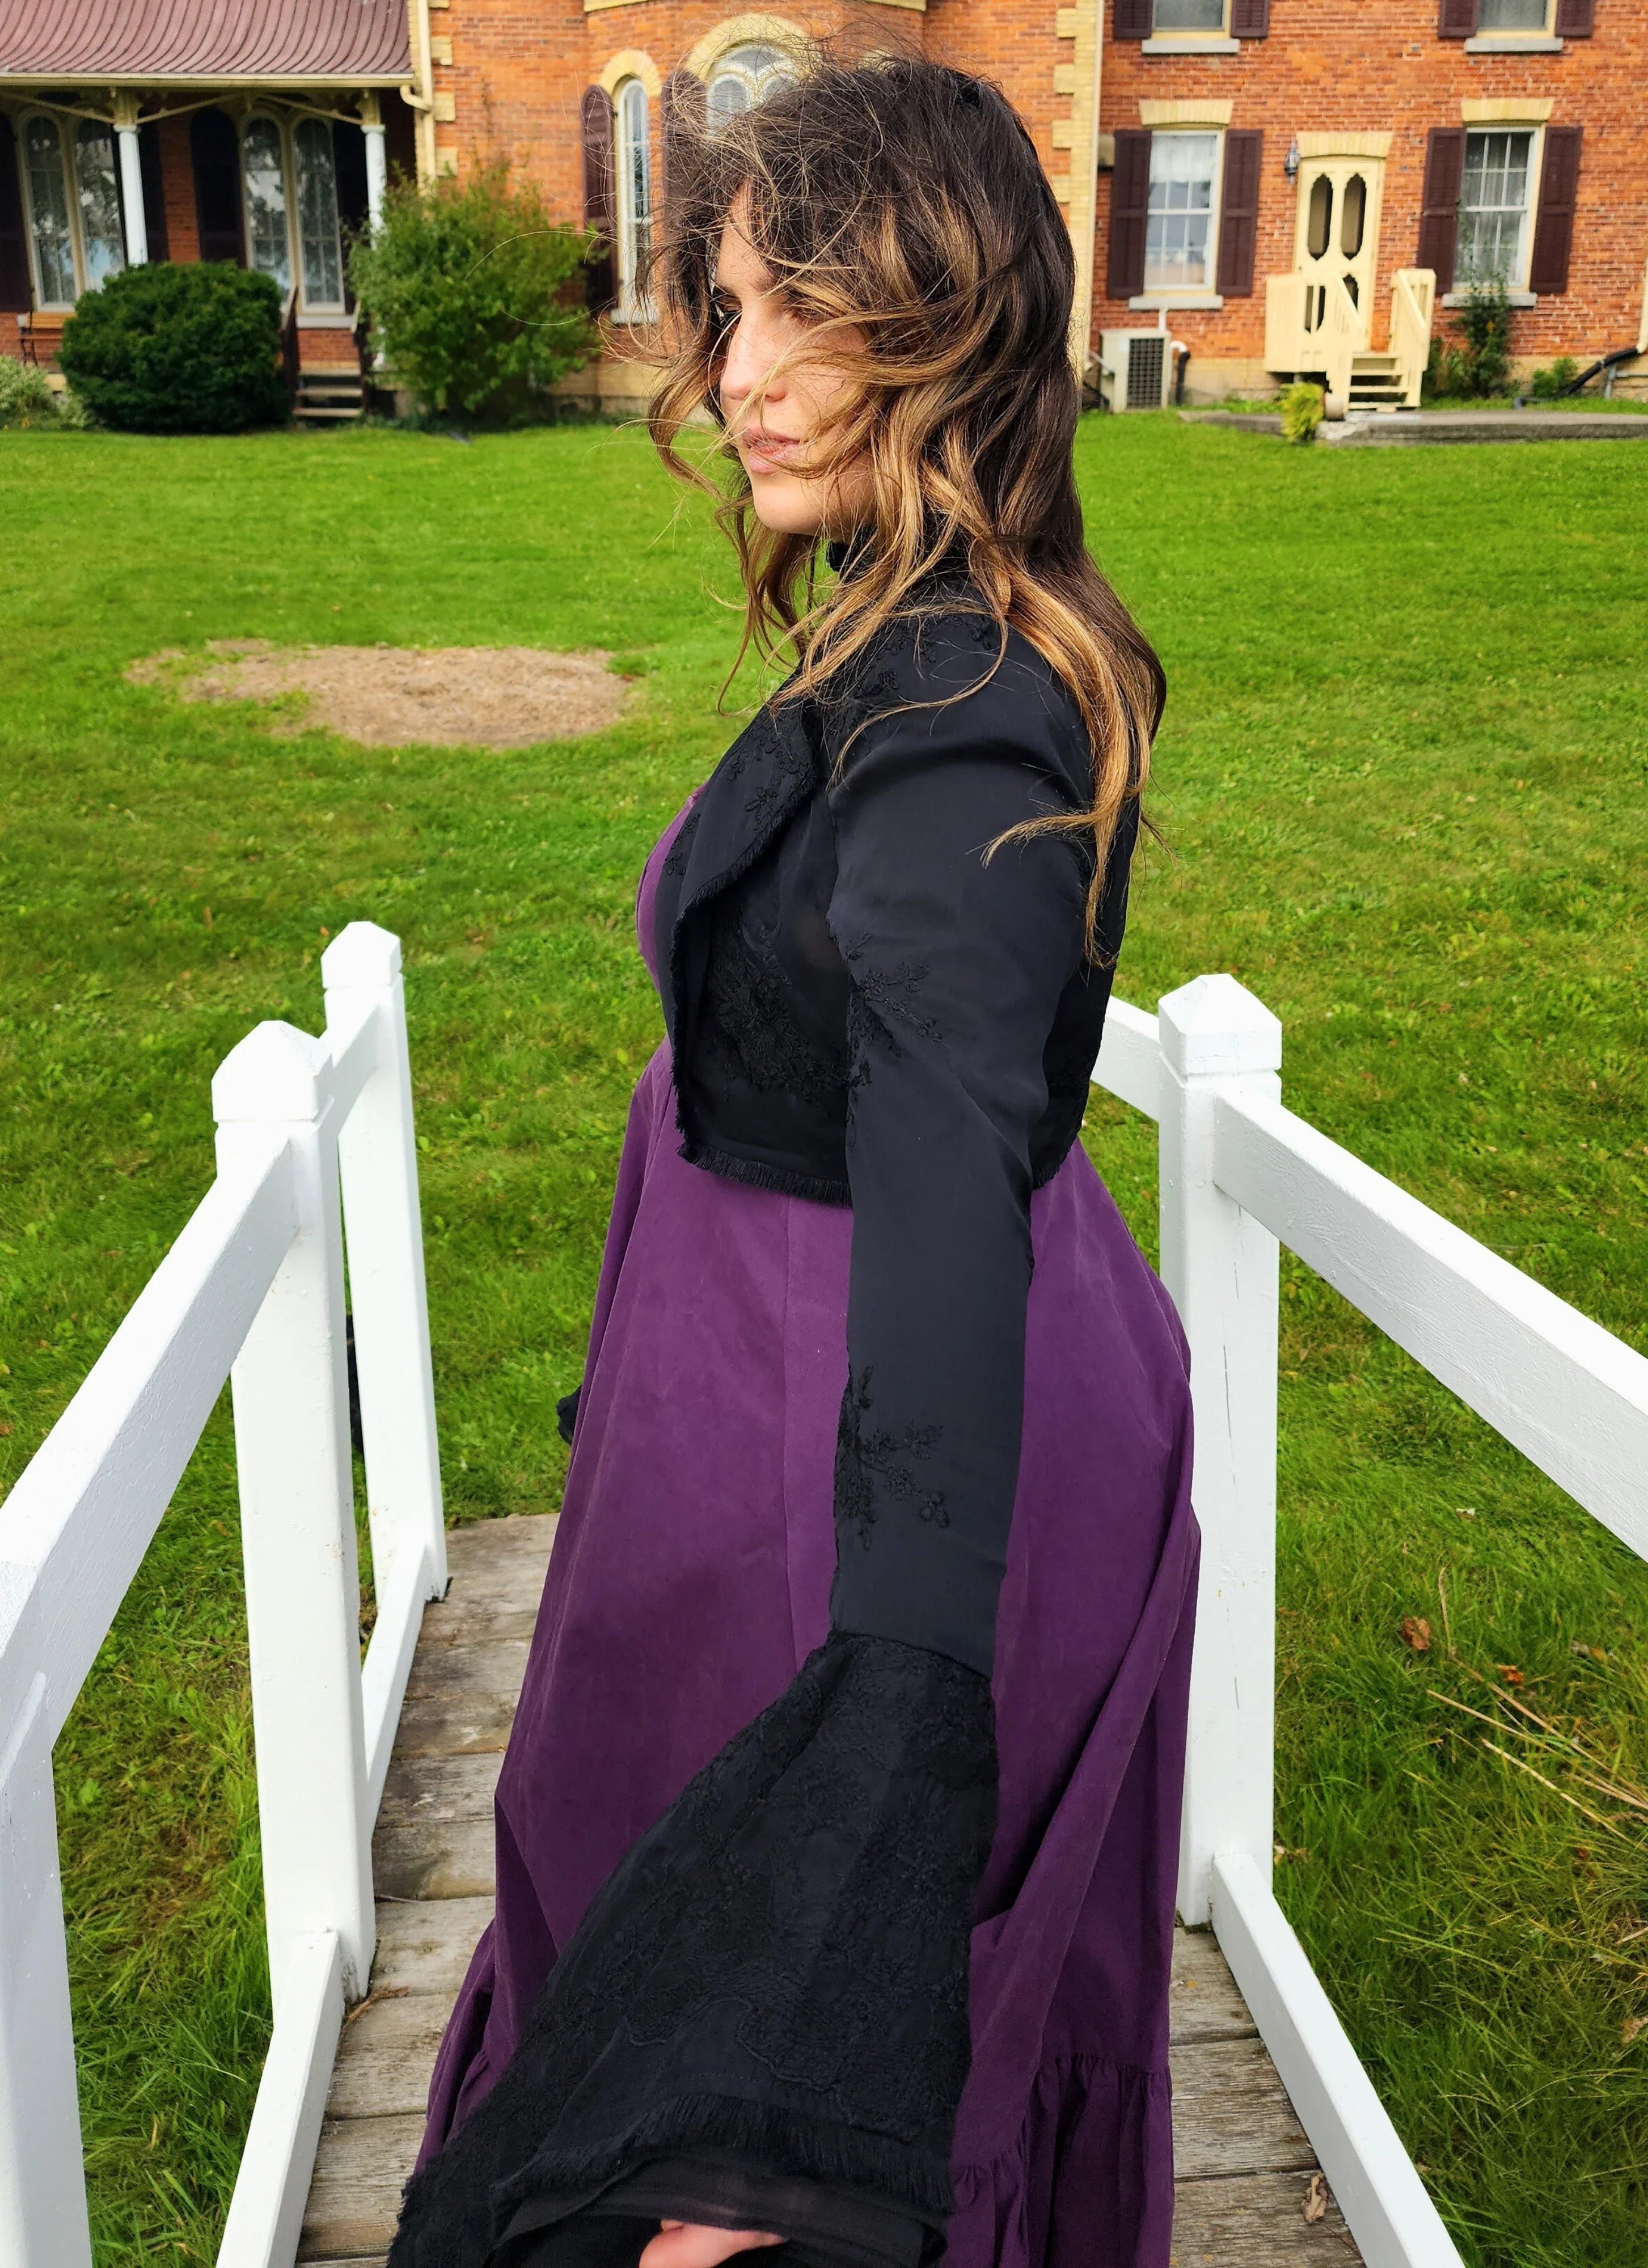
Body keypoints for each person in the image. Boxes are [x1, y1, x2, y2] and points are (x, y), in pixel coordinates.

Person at [390, 53, 1199, 2268]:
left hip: (851, 1485)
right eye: (721, 308)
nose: (732, 377)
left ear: (940, 324)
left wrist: (792, 2068)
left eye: (794, 314)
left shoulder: (962, 743)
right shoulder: (914, 627)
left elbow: (938, 1330)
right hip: (755, 1410)